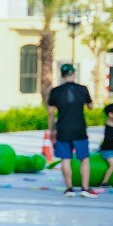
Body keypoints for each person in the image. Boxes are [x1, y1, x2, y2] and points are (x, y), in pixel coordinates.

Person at [47, 63, 97, 198]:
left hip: (63, 128)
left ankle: (69, 188)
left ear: (62, 76)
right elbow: (91, 106)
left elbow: (50, 113)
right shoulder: (83, 89)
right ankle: (85, 188)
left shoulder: (55, 91)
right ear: (74, 74)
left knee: (65, 159)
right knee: (84, 159)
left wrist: (51, 131)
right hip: (79, 129)